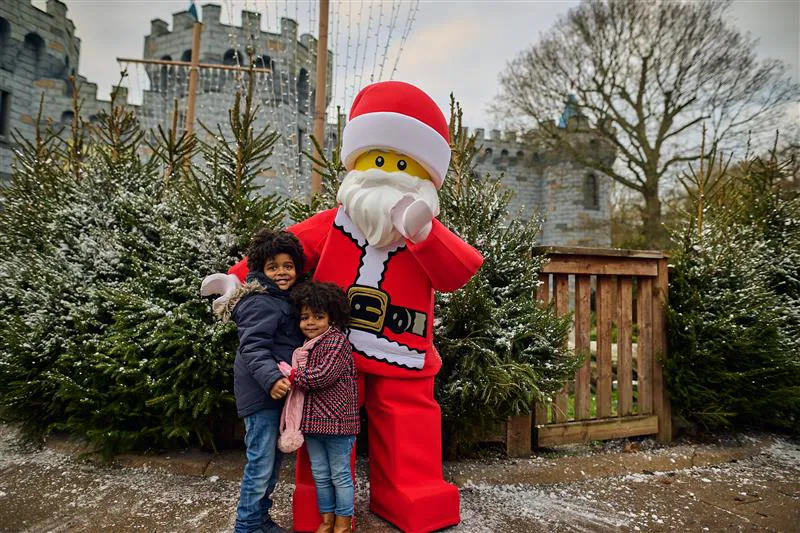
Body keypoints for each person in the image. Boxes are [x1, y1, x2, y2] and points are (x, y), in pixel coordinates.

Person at [204, 81, 484, 533]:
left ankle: (412, 493)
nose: (386, 172)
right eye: (377, 160)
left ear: (424, 173)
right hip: (330, 350)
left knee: (407, 421)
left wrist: (424, 233)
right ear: (357, 164)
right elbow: (284, 252)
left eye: (400, 163)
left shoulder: (424, 232)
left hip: (402, 347)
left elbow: (457, 272)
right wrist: (237, 280)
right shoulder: (332, 224)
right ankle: (319, 506)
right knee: (323, 429)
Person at [214, 229, 305, 533]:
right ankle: (247, 524)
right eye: (273, 266)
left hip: (276, 394)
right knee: (260, 463)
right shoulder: (260, 301)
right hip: (261, 392)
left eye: (288, 266)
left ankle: (261, 518)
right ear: (260, 271)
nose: (281, 272)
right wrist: (271, 379)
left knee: (273, 462)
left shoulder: (284, 301)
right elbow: (253, 348)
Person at [278, 281, 359, 533]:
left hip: (338, 424)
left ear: (332, 319)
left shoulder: (336, 343)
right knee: (321, 476)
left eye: (318, 316)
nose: (310, 322)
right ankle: (326, 520)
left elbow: (321, 376)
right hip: (313, 424)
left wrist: (291, 374)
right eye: (304, 317)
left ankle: (343, 524)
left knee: (340, 475)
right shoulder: (306, 347)